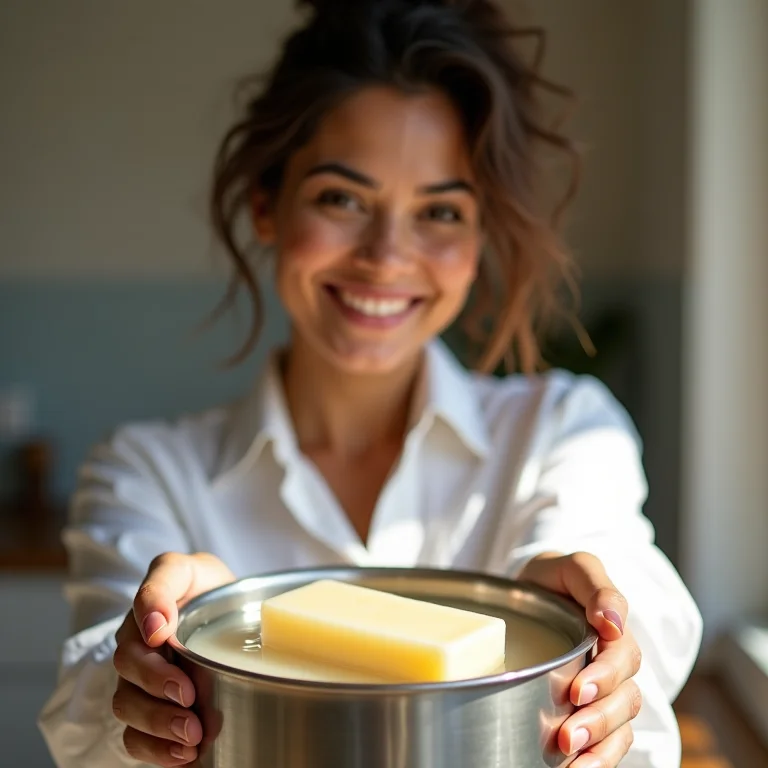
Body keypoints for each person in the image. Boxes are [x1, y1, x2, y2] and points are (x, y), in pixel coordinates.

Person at [38, 1, 702, 766]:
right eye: (342, 198)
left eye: (440, 211)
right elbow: (86, 720)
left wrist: (599, 635)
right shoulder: (148, 472)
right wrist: (156, 663)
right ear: (267, 206)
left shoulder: (563, 430)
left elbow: (638, 622)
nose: (387, 256)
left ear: (479, 236)